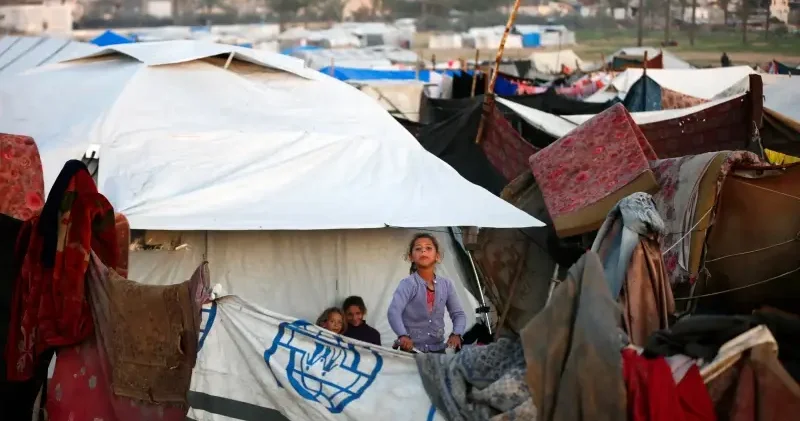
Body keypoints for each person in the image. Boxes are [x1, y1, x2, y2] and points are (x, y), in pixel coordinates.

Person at [387, 233, 466, 353]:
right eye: (418, 248)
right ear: (411, 257)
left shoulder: (446, 284)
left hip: (438, 351)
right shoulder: (408, 284)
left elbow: (458, 314)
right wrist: (403, 335)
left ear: (437, 256)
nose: (423, 251)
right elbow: (394, 312)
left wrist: (457, 333)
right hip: (411, 350)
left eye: (428, 248)